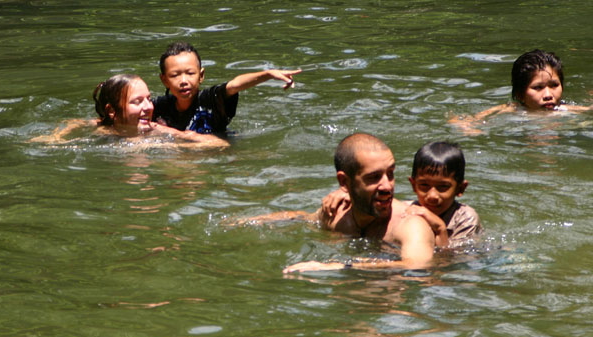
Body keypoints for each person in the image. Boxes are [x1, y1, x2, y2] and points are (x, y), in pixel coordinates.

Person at [263, 133, 435, 273]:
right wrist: (245, 222)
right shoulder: (336, 213)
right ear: (344, 182)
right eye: (374, 177)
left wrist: (339, 266)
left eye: (390, 174)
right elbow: (303, 219)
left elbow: (416, 266)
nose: (387, 186)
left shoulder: (410, 224)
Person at [322, 141, 482, 248]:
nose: (432, 195)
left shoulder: (466, 219)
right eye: (424, 186)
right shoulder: (409, 208)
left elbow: (445, 263)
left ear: (460, 189)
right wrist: (349, 193)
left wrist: (440, 228)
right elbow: (374, 200)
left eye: (443, 187)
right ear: (413, 184)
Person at [31, 74, 228, 148]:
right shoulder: (102, 127)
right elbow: (73, 122)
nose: (149, 107)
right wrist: (56, 136)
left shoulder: (156, 130)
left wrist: (168, 146)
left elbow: (213, 143)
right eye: (137, 101)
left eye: (149, 99)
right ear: (111, 111)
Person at [152, 41, 302, 132]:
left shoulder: (210, 99)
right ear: (164, 80)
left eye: (190, 73)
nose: (183, 80)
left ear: (201, 76)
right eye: (175, 75)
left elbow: (234, 85)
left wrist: (268, 74)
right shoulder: (157, 107)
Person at [449, 49, 592, 135]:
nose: (548, 95)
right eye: (538, 87)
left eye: (554, 85)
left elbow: (588, 110)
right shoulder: (513, 109)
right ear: (519, 94)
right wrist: (464, 125)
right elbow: (470, 120)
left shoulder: (564, 109)